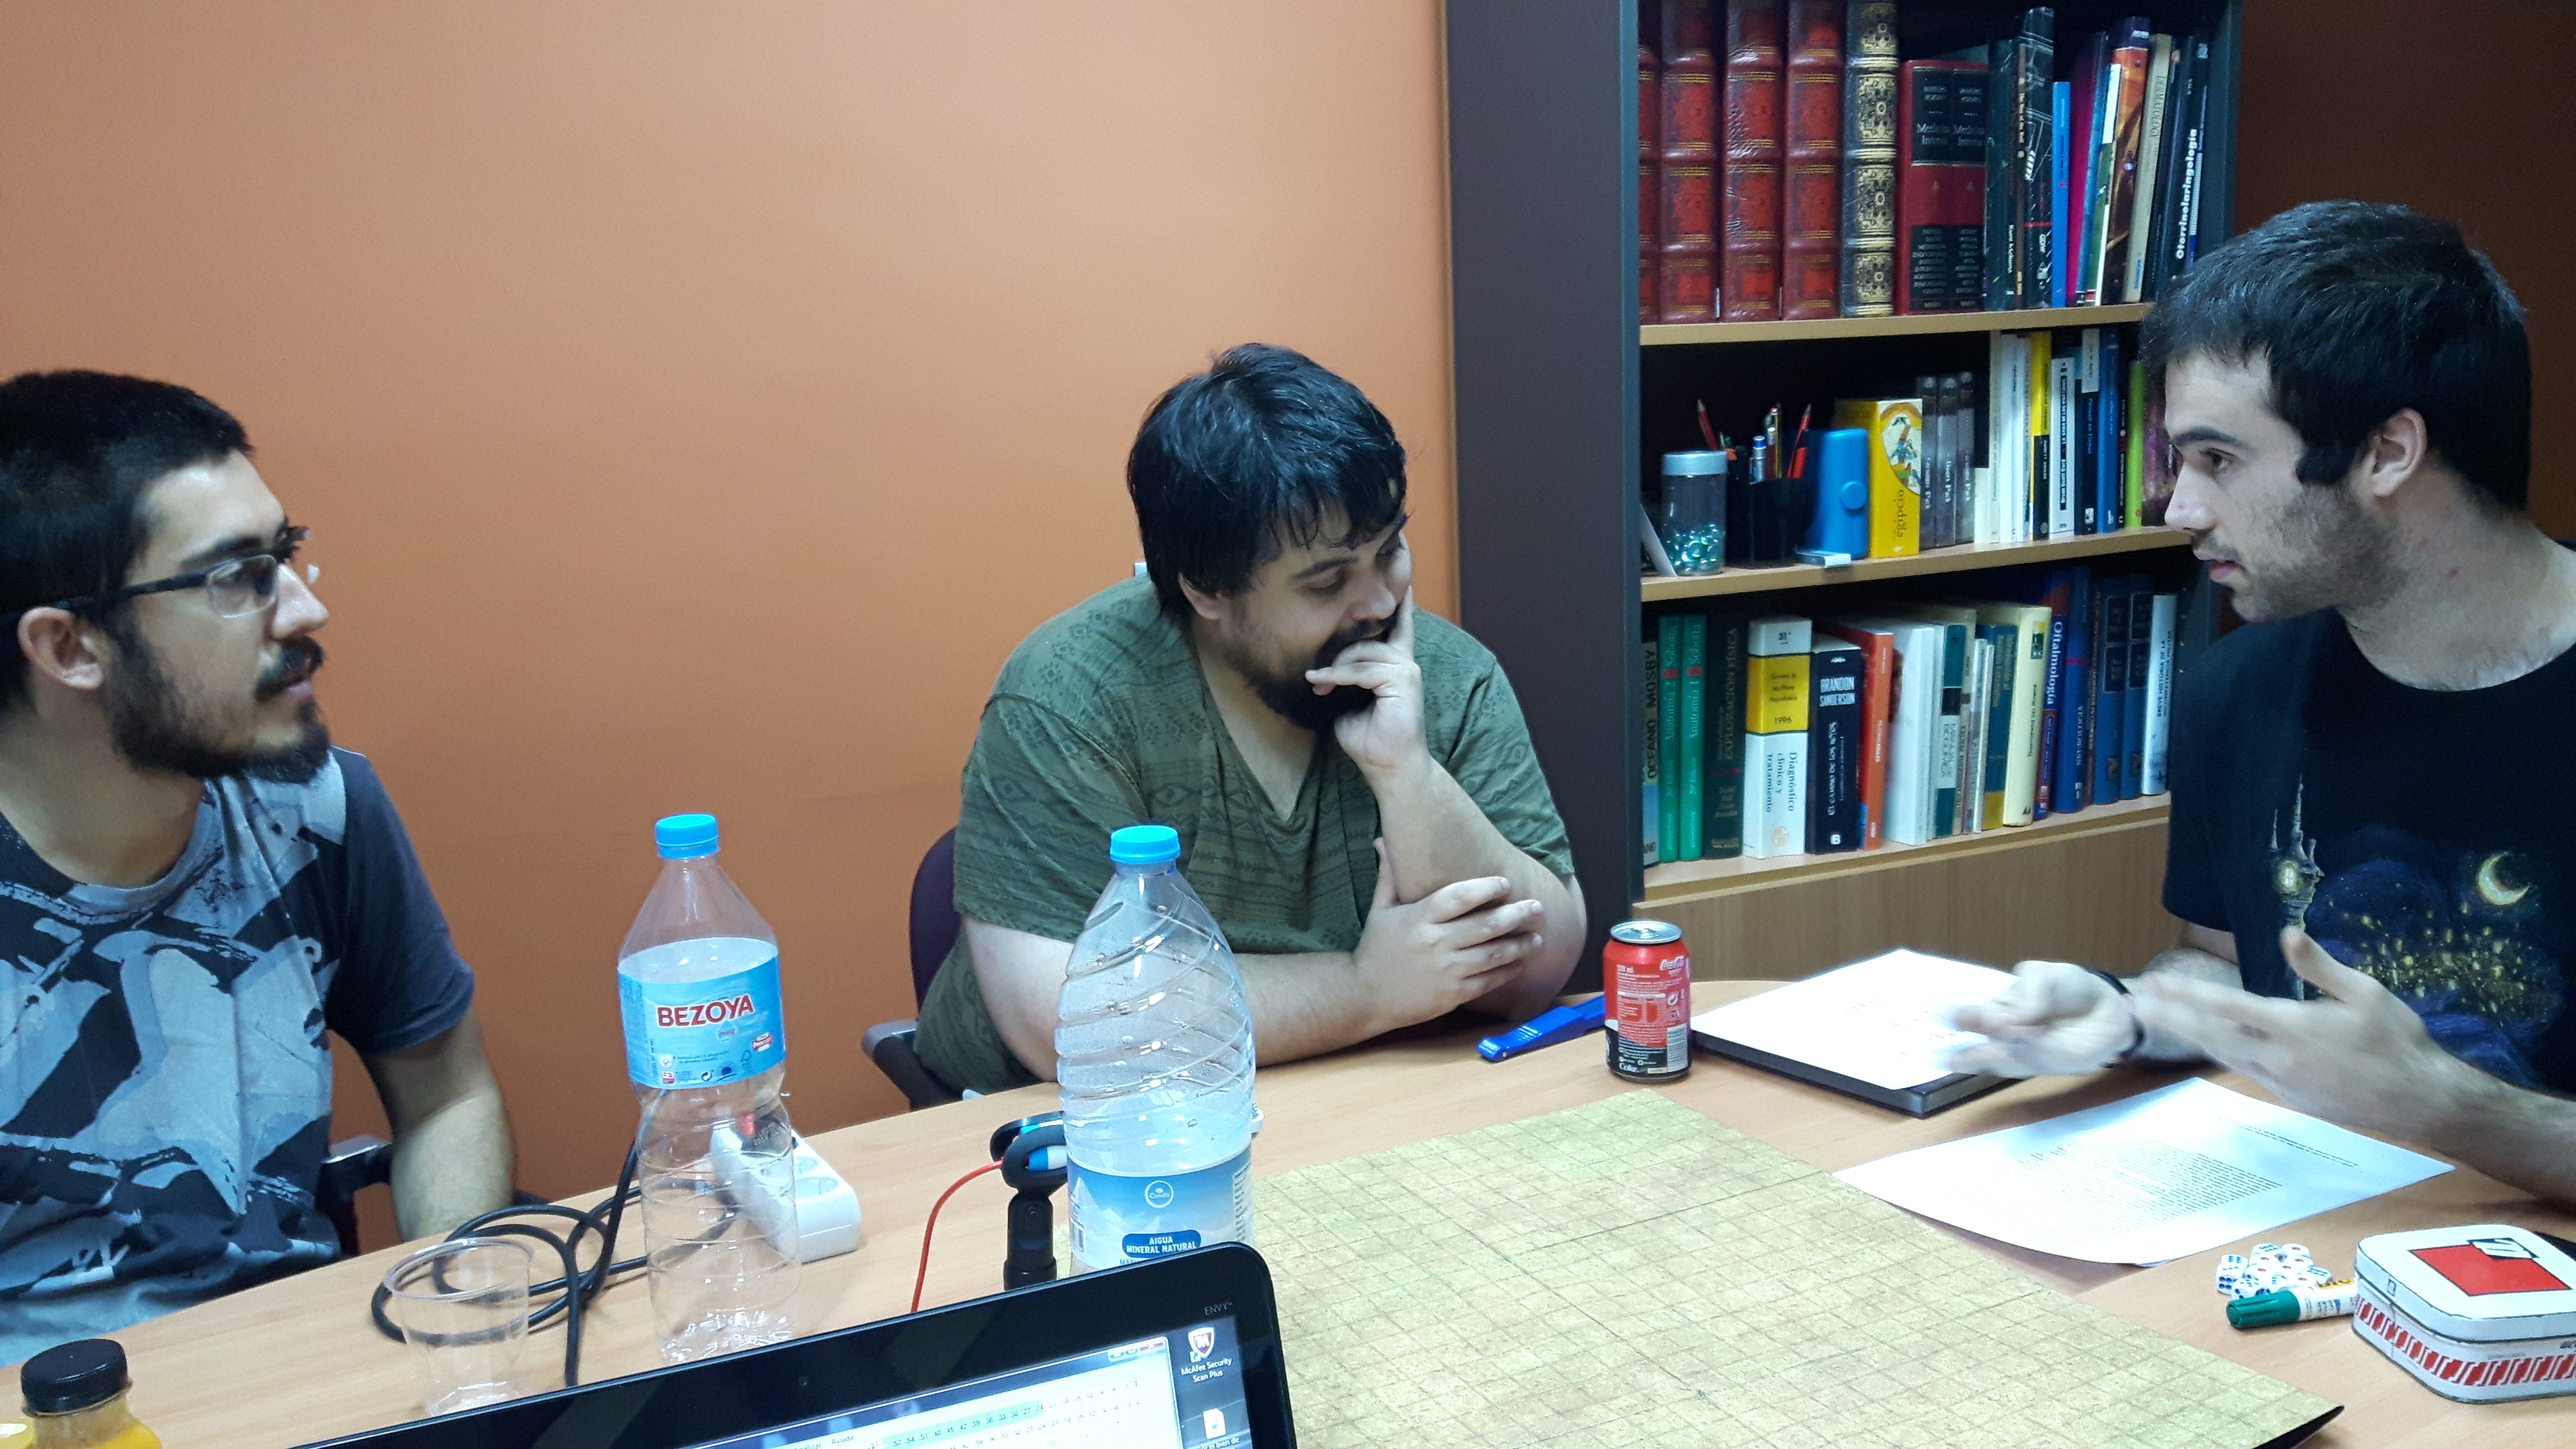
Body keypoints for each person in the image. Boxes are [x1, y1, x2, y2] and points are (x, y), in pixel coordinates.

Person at [1948, 202, 2576, 1202]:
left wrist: (2451, 1107)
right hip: (2304, 1241)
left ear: (2387, 452)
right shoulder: (2238, 689)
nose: (2180, 508)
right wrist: (2134, 1014)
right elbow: (2231, 970)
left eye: (2220, 460)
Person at [0, 371, 514, 1360]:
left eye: (285, 554)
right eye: (237, 578)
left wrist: (458, 1317)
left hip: (310, 1378)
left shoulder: (317, 807)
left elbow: (447, 1096)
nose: (304, 609)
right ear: (69, 646)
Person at [916, 344, 1581, 1093]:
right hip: (1074, 1126)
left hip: (1362, 1095)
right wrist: (1365, 989)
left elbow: (1543, 966)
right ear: (1207, 590)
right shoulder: (1070, 696)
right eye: (1326, 582)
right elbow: (1065, 1026)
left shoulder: (1446, 675)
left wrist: (1408, 772)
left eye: (1389, 549)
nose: (1378, 602)